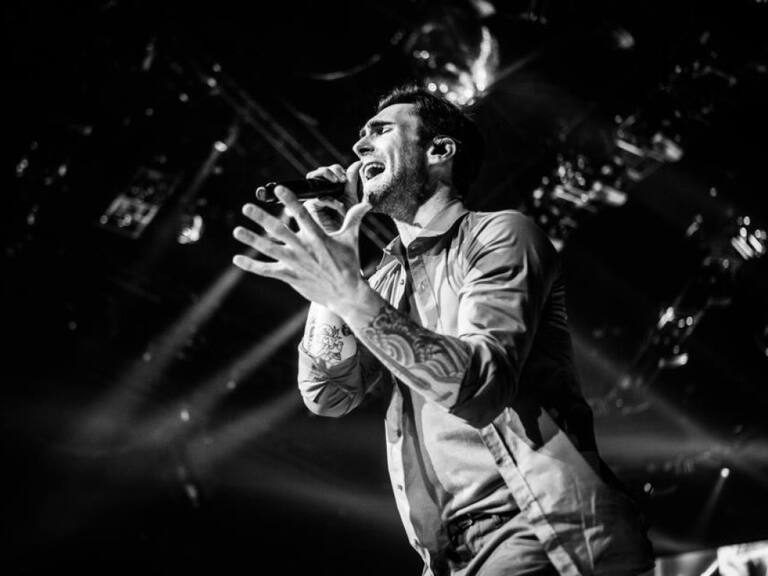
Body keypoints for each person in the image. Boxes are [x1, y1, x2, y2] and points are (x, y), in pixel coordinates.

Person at [232, 85, 655, 576]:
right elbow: (327, 394)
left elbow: (482, 385)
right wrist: (331, 266)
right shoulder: (383, 282)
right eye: (361, 135)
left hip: (537, 528)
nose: (359, 146)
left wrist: (348, 291)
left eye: (380, 131)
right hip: (445, 556)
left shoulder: (501, 235)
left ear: (439, 150)